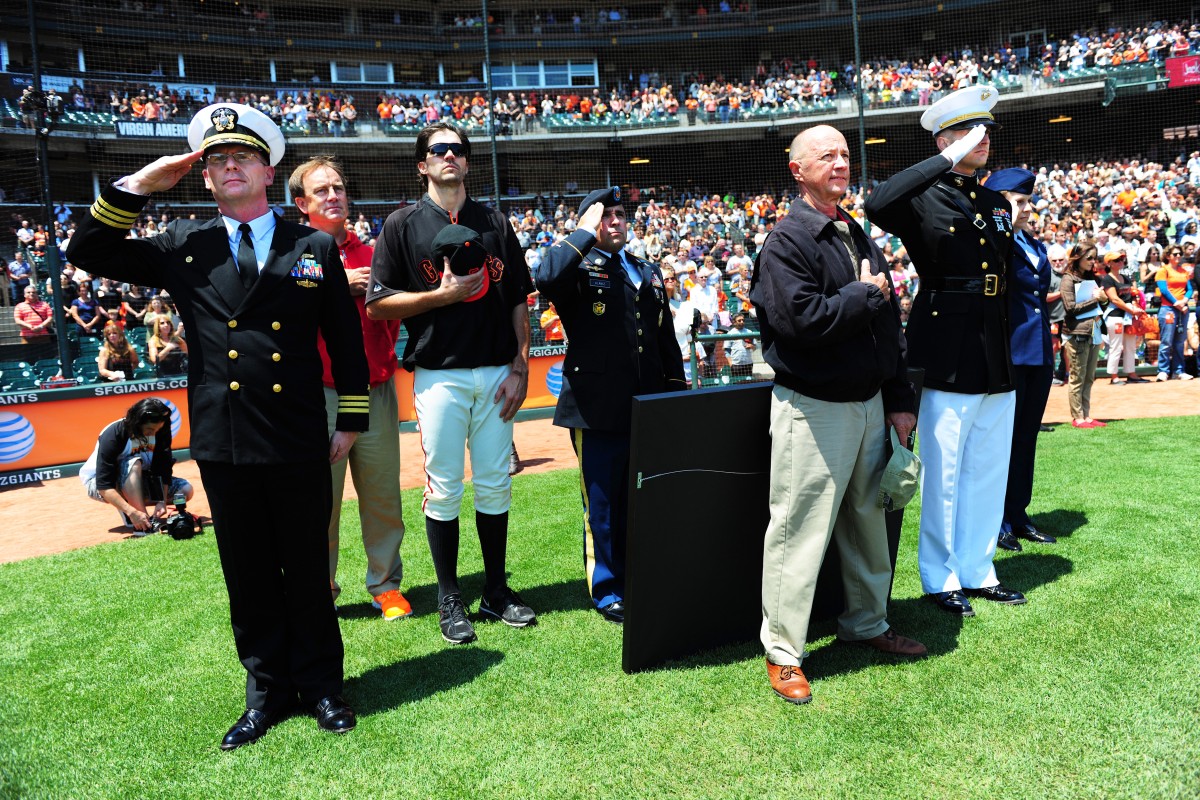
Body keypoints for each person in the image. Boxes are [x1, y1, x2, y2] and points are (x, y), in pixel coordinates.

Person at [66, 102, 369, 750]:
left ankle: (321, 686)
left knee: (307, 570)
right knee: (249, 573)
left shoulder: (310, 245)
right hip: (225, 438)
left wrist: (350, 416)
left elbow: (344, 339)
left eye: (243, 156)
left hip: (294, 434)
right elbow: (85, 249)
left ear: (267, 170)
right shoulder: (185, 247)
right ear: (204, 177)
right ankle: (266, 695)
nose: (230, 166)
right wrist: (145, 183)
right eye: (217, 160)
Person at [750, 125, 926, 705]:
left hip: (870, 405)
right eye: (826, 155)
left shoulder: (855, 230)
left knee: (868, 523)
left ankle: (867, 623)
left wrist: (899, 400)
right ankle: (783, 652)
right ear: (797, 169)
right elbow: (801, 323)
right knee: (799, 531)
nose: (840, 163)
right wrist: (867, 295)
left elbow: (889, 327)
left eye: (845, 154)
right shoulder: (786, 241)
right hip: (813, 407)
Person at [366, 122, 536, 645]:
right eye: (438, 150)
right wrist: (439, 297)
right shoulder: (400, 225)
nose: (449, 157)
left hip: (495, 370)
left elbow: (516, 299)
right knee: (443, 488)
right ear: (422, 164)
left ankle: (497, 592)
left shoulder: (494, 221)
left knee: (494, 482)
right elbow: (377, 304)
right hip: (438, 374)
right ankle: (449, 595)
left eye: (458, 150)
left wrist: (521, 364)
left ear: (467, 161)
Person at [865, 85, 1024, 617]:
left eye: (986, 133)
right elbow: (876, 204)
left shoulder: (995, 201)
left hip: (992, 344)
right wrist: (944, 160)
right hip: (946, 344)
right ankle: (940, 576)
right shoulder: (920, 195)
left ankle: (979, 568)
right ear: (945, 138)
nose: (984, 141)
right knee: (945, 469)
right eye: (970, 132)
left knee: (987, 465)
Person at [534, 186, 686, 624]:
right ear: (587, 224)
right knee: (601, 504)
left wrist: (673, 395)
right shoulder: (577, 268)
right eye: (605, 215)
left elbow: (664, 341)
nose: (615, 221)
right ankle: (606, 589)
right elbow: (546, 277)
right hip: (596, 410)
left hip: (646, 405)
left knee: (641, 499)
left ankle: (638, 575)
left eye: (620, 214)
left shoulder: (646, 270)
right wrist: (583, 233)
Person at [290, 155, 409, 621]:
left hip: (375, 388)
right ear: (302, 203)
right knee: (321, 501)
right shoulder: (293, 251)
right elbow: (289, 312)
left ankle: (386, 585)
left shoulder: (376, 252)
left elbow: (396, 312)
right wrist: (341, 286)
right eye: (321, 191)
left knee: (382, 497)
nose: (333, 196)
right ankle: (323, 586)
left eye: (338, 188)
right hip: (316, 394)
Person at [984, 168, 1057, 553]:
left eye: (1027, 201)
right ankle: (997, 520)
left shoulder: (1031, 243)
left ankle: (1018, 513)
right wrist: (1002, 226)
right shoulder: (994, 243)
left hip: (1038, 351)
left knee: (1026, 438)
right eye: (1018, 201)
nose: (1026, 208)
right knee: (1002, 442)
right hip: (1010, 352)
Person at [80, 398, 194, 533]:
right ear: (137, 422)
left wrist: (161, 501)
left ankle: (137, 511)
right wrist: (131, 511)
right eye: (149, 429)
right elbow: (104, 486)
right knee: (134, 463)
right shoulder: (114, 433)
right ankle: (143, 524)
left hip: (138, 480)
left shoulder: (160, 431)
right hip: (100, 485)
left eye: (158, 429)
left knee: (185, 490)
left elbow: (163, 469)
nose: (153, 434)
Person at [1060, 243, 1107, 427]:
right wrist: (1095, 299)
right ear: (1077, 257)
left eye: (1094, 258)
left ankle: (1087, 415)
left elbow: (1098, 306)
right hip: (1077, 332)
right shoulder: (1068, 279)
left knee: (1089, 376)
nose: (1092, 261)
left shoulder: (1091, 278)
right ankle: (1077, 417)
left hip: (1093, 330)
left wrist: (1103, 300)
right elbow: (1070, 309)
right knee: (1077, 377)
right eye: (1089, 257)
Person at [1100, 251, 1148, 385]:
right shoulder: (1107, 279)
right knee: (1115, 346)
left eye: (1121, 259)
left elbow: (1132, 296)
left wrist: (1134, 306)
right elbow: (1114, 299)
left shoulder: (1125, 278)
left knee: (1131, 346)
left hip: (1128, 316)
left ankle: (1131, 374)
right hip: (1115, 316)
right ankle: (1114, 376)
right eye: (1116, 260)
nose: (1120, 261)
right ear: (1109, 263)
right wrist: (1131, 310)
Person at [1154, 246, 1194, 380]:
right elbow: (1163, 290)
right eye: (1175, 254)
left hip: (1182, 308)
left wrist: (1184, 301)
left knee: (1180, 342)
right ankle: (1163, 371)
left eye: (1180, 254)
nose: (1178, 256)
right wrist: (1177, 303)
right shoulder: (1163, 270)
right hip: (1168, 309)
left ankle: (1179, 371)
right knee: (1166, 341)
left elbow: (1189, 289)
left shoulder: (1184, 271)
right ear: (1168, 256)